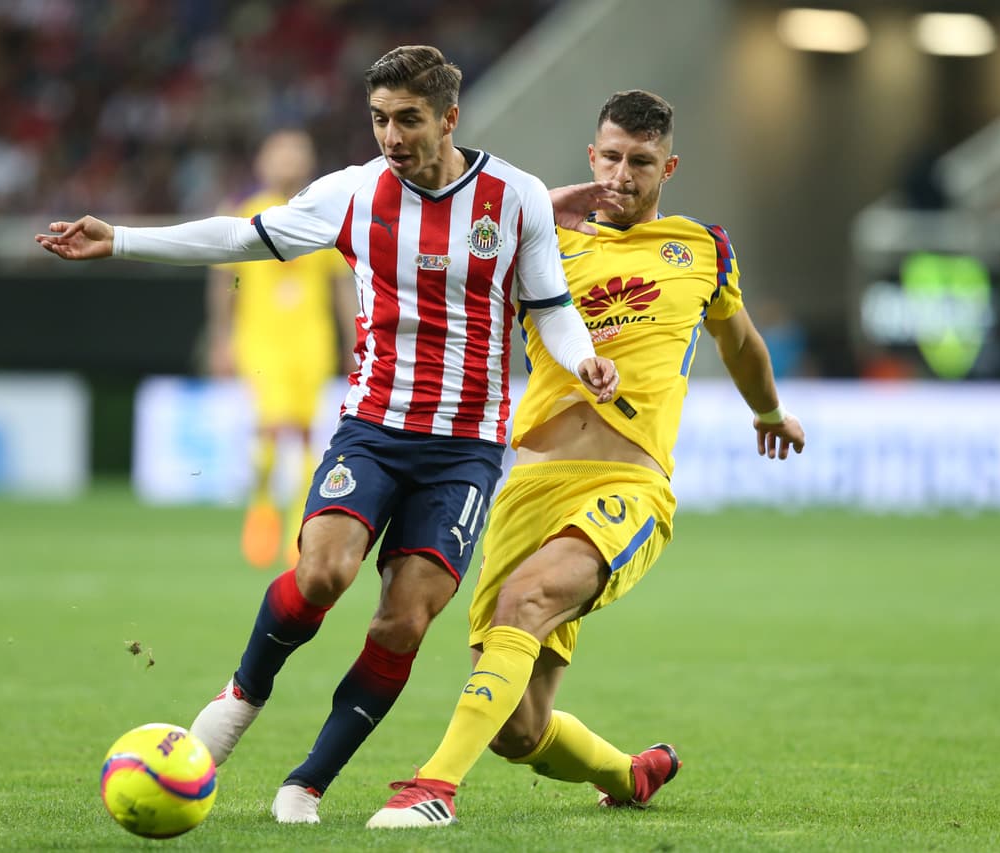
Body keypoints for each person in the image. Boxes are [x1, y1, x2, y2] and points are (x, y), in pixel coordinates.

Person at [35, 45, 619, 824]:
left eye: (408, 119)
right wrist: (123, 239)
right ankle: (240, 698)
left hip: (465, 447)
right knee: (322, 572)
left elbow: (550, 306)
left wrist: (583, 359)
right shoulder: (352, 192)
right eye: (379, 119)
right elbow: (243, 238)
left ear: (449, 117)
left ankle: (307, 782)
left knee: (403, 619)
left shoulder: (514, 198)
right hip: (373, 428)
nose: (391, 136)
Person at [367, 89, 807, 829]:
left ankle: (433, 787)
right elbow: (447, 241)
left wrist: (768, 412)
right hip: (528, 486)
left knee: (525, 600)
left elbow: (741, 343)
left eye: (642, 162)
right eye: (611, 157)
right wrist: (541, 207)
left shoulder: (703, 248)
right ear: (591, 157)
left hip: (625, 484)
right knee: (518, 728)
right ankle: (630, 775)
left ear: (669, 168)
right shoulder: (542, 238)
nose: (623, 176)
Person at [204, 129, 357, 569]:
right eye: (281, 153)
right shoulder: (246, 214)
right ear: (262, 162)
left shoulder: (322, 216)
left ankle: (297, 527)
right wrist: (221, 337)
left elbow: (340, 285)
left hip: (311, 340)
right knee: (272, 428)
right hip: (261, 339)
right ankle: (262, 506)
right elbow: (226, 280)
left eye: (296, 153)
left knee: (307, 433)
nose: (289, 160)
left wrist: (354, 341)